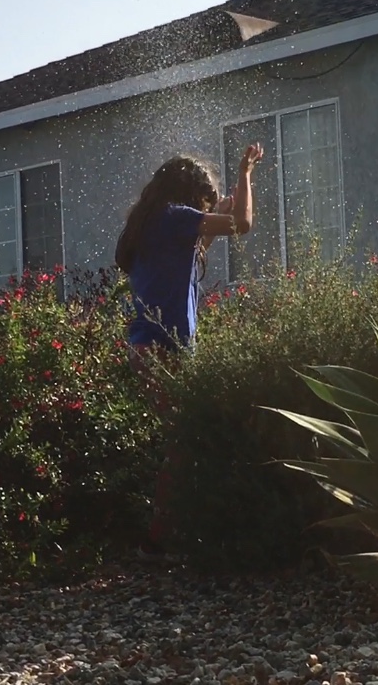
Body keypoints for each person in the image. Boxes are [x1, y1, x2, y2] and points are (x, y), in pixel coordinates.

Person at [115, 143, 264, 561]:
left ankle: (180, 532)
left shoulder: (156, 223)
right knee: (185, 440)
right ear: (190, 196)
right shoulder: (174, 218)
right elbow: (243, 224)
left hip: (153, 348)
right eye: (206, 201)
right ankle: (160, 542)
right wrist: (246, 173)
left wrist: (219, 216)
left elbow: (189, 259)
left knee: (189, 437)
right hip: (163, 349)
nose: (207, 208)